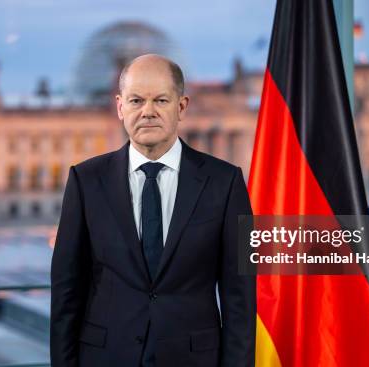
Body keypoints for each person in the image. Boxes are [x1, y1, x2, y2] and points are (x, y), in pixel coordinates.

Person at [50, 54, 256, 367]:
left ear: (182, 106)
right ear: (119, 107)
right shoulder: (85, 181)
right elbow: (66, 292)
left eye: (161, 100)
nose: (148, 112)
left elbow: (240, 298)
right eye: (136, 100)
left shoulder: (226, 182)